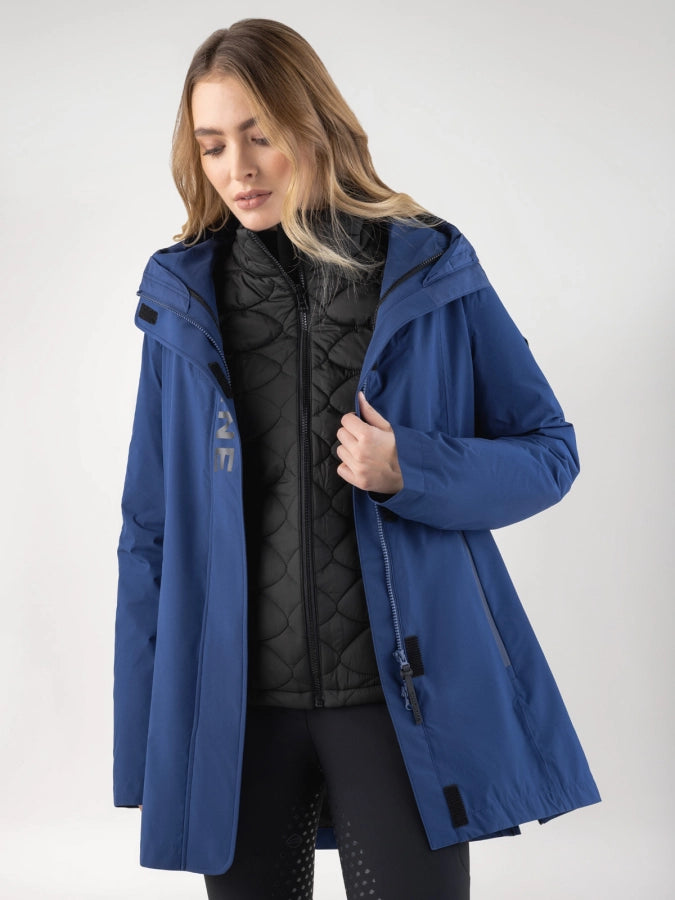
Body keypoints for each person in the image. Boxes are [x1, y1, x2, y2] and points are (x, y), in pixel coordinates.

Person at [113, 18, 601, 900]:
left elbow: (547, 453)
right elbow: (150, 530)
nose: (238, 168)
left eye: (259, 135)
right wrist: (147, 739)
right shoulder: (183, 302)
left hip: (398, 705)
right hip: (236, 714)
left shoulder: (428, 268)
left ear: (312, 125)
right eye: (213, 145)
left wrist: (411, 468)